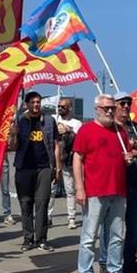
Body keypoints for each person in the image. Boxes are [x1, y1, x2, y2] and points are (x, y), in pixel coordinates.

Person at [72, 94, 135, 273]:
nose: (109, 111)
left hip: (118, 189)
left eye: (111, 108)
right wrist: (80, 188)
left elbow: (125, 157)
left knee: (117, 234)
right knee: (90, 235)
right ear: (96, 109)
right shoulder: (86, 130)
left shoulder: (120, 132)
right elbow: (77, 159)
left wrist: (128, 159)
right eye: (105, 108)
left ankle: (114, 270)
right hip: (95, 191)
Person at [97, 92, 137, 273]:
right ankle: (105, 262)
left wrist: (133, 145)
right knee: (111, 226)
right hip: (116, 185)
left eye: (128, 103)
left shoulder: (135, 127)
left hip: (136, 184)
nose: (125, 106)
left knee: (134, 225)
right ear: (113, 106)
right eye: (122, 103)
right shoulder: (109, 128)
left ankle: (129, 260)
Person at [9, 91, 61, 251]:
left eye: (38, 102)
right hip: (24, 167)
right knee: (25, 204)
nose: (36, 105)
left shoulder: (49, 121)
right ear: (26, 104)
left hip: (44, 167)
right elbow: (13, 147)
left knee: (42, 203)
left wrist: (57, 167)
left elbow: (56, 145)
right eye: (32, 102)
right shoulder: (19, 121)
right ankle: (28, 238)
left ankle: (42, 239)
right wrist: (13, 135)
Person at [54, 96, 83, 229]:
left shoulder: (76, 123)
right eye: (59, 106)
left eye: (63, 107)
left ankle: (72, 218)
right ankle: (47, 216)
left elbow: (81, 140)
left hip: (69, 160)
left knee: (71, 189)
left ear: (70, 108)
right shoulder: (54, 120)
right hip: (55, 160)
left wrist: (69, 130)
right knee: (50, 190)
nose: (60, 109)